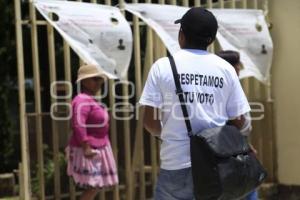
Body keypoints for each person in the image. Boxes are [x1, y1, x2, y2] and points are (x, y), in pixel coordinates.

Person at [139, 7, 251, 200]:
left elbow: (149, 121)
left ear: (181, 34)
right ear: (211, 39)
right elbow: (240, 121)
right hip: (217, 164)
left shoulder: (163, 66)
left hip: (175, 164)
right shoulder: (226, 69)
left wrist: (166, 133)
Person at [65, 64, 118, 200]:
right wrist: (86, 147)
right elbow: (78, 124)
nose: (98, 83)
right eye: (95, 79)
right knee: (94, 185)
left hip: (98, 147)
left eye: (100, 79)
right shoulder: (81, 100)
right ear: (84, 81)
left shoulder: (90, 100)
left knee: (96, 185)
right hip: (90, 150)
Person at [216, 50, 258, 200]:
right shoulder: (228, 88)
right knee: (246, 188)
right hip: (232, 148)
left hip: (234, 146)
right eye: (236, 64)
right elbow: (237, 120)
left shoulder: (224, 86)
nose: (239, 68)